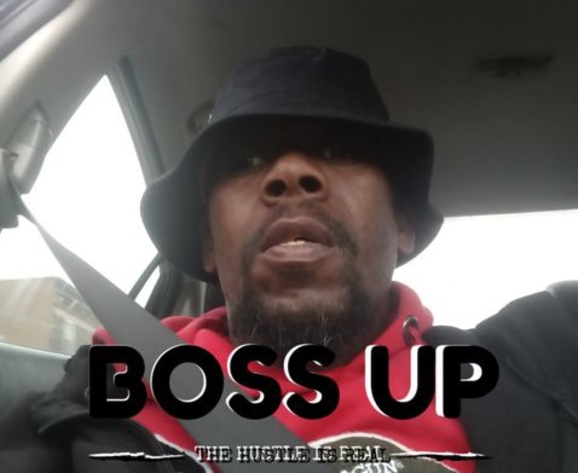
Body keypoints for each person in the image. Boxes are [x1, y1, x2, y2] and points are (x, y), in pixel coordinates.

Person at [1, 46, 577, 473]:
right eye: (246, 160)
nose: (291, 173)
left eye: (339, 149)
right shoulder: (104, 395)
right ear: (208, 244)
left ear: (402, 225)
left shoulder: (538, 362)